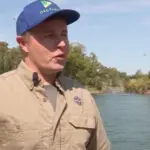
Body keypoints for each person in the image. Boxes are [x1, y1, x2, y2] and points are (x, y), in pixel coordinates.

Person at [0, 0, 110, 149]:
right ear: (23, 44)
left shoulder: (82, 95)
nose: (62, 44)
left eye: (64, 34)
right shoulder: (3, 92)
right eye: (50, 35)